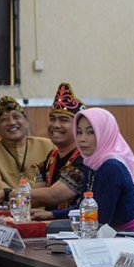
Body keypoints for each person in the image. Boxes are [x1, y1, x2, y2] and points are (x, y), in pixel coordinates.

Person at [33, 108, 134, 231]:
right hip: (103, 232)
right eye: (79, 132)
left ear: (105, 133)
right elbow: (84, 206)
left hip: (125, 236)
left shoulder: (112, 166)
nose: (82, 139)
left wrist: (55, 224)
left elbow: (100, 218)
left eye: (90, 132)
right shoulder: (92, 162)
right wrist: (51, 215)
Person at [29, 83, 87, 212]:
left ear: (78, 127)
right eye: (52, 119)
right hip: (51, 225)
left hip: (74, 227)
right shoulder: (52, 156)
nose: (56, 125)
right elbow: (36, 195)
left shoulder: (84, 157)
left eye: (63, 120)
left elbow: (52, 196)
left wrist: (7, 194)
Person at [0, 96, 53, 191]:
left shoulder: (48, 146)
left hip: (45, 204)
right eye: (4, 119)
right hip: (8, 204)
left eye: (16, 116)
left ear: (27, 122)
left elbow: (55, 183)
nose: (12, 122)